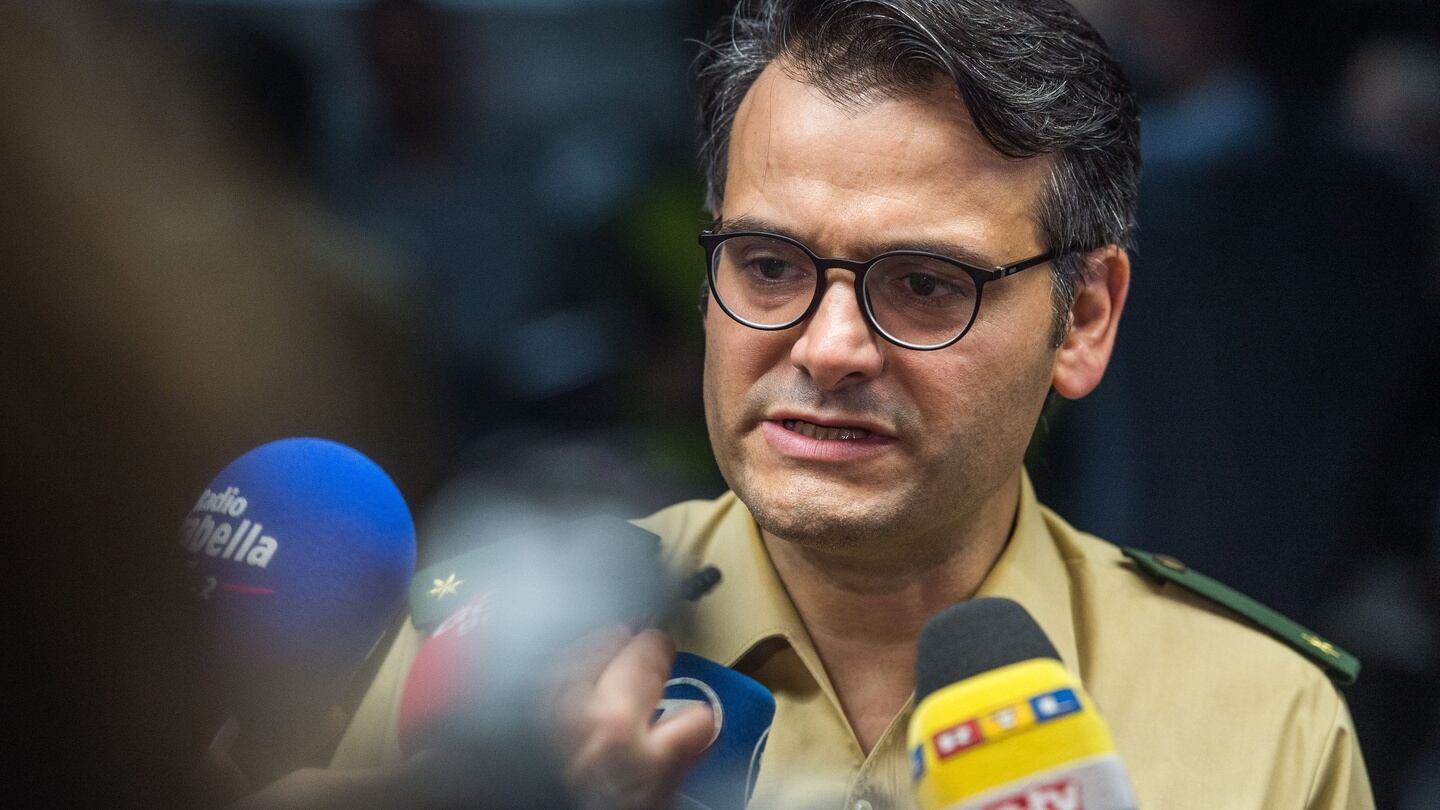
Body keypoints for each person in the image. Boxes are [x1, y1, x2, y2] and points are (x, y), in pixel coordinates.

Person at [304, 0, 1374, 807]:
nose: (828, 348)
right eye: (769, 266)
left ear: (1083, 319)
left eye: (926, 285)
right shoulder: (484, 664)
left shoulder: (1262, 721)